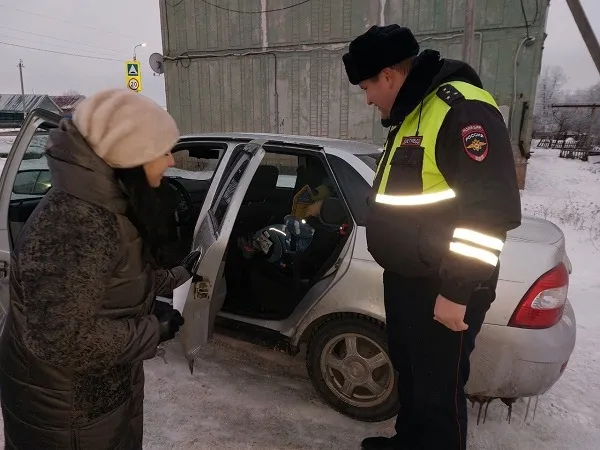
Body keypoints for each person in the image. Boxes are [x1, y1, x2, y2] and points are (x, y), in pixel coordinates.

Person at [342, 25, 522, 450]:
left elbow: (490, 211)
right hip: (409, 280)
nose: (368, 98)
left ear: (388, 75)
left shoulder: (461, 109)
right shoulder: (411, 113)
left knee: (439, 391)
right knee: (413, 375)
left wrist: (457, 291)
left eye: (367, 86)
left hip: (444, 284)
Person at [0, 89, 199, 450]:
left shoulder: (108, 204)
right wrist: (154, 329)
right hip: (66, 411)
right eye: (162, 150)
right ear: (131, 157)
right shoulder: (74, 224)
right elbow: (63, 340)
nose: (171, 161)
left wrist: (175, 278)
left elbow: (114, 277)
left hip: (96, 394)